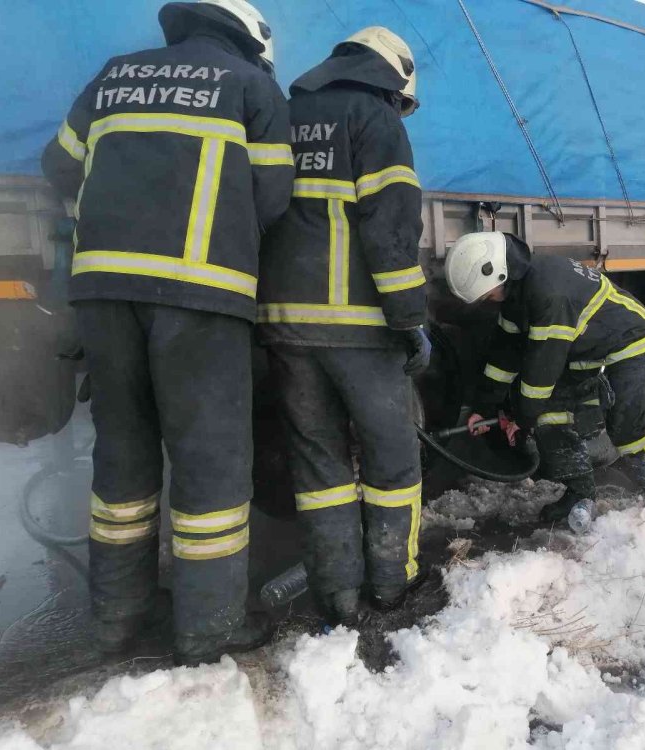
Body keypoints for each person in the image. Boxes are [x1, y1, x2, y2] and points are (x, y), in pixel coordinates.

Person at [41, 0, 293, 666]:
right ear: (250, 37)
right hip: (199, 296)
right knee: (210, 463)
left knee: (122, 455)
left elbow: (60, 166)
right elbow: (272, 196)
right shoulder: (251, 87)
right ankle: (208, 628)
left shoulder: (114, 76)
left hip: (101, 293)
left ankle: (117, 619)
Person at [256, 27, 429, 625]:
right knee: (392, 460)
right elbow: (391, 228)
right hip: (358, 326)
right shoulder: (374, 119)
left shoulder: (281, 112)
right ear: (393, 77)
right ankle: (392, 583)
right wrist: (409, 320)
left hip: (283, 326)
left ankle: (337, 592)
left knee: (320, 465)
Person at [444, 231, 645, 535]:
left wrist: (520, 418)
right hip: (583, 349)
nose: (485, 301)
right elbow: (505, 355)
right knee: (549, 416)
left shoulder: (548, 293)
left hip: (628, 343)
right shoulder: (516, 294)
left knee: (627, 430)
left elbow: (540, 372)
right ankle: (580, 492)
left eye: (485, 295)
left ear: (497, 276)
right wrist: (483, 407)